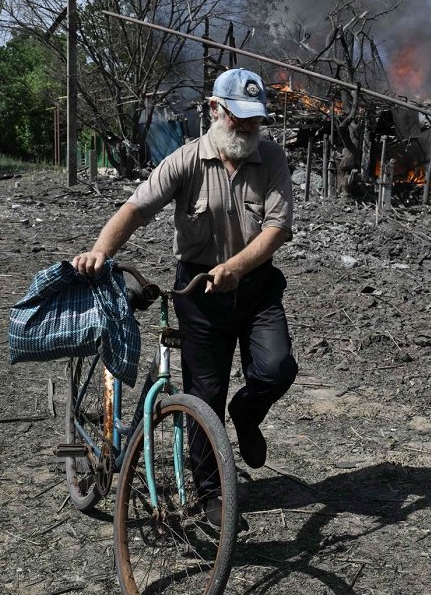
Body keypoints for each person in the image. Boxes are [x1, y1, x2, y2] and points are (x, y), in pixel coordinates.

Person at [72, 67, 298, 525]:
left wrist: (236, 267)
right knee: (204, 395)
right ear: (215, 110)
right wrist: (99, 251)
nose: (250, 129)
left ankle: (247, 413)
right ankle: (213, 494)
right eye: (240, 118)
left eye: (256, 120)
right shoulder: (186, 160)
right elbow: (135, 208)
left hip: (255, 286)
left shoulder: (271, 159)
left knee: (277, 369)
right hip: (200, 291)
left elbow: (277, 229)